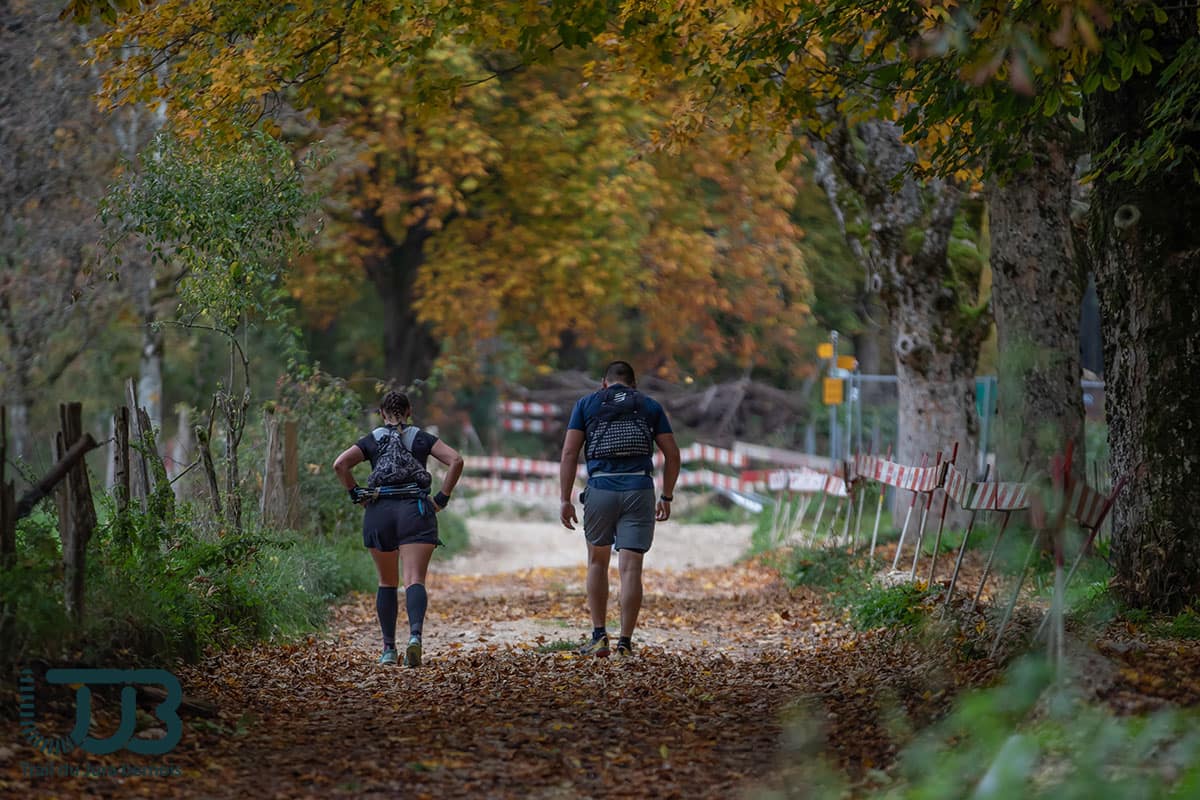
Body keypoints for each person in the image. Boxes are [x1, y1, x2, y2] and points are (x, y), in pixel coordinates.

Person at [559, 361, 680, 657]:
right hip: (639, 489)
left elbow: (570, 452)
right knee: (631, 569)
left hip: (600, 488)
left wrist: (565, 499)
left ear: (604, 383)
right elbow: (672, 454)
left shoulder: (586, 404)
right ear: (634, 384)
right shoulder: (649, 405)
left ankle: (599, 636)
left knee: (597, 562)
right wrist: (666, 496)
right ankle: (625, 643)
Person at [333, 391, 464, 667]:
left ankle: (389, 650)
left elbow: (340, 464)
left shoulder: (372, 439)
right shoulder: (421, 437)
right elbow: (456, 460)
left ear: (382, 413)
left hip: (379, 513)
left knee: (387, 582)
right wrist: (441, 498)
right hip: (415, 512)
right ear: (409, 411)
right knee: (414, 579)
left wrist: (356, 494)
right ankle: (415, 637)